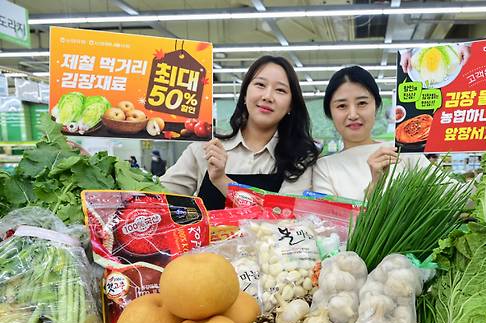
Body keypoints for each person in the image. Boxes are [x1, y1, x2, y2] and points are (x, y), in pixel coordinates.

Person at [160, 55, 318, 209]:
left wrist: (221, 180)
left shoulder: (301, 158)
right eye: (260, 85)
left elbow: (284, 216)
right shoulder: (207, 147)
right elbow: (161, 198)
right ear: (244, 94)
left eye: (280, 90)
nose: (268, 96)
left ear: (291, 105)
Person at [312, 66, 429, 200]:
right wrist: (374, 187)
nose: (353, 114)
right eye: (342, 106)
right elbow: (328, 219)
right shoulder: (324, 168)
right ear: (330, 113)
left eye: (362, 103)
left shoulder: (401, 150)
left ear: (376, 106)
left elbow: (451, 194)